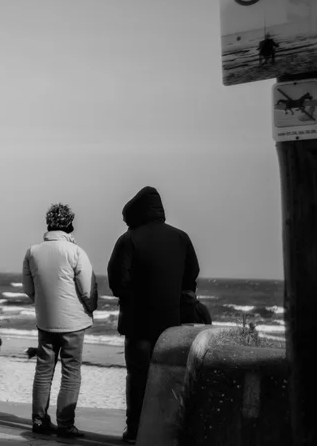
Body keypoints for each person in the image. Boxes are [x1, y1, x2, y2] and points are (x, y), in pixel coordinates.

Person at [107, 186, 200, 444]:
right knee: (170, 379)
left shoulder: (129, 239)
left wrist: (132, 297)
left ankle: (135, 430)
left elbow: (117, 281)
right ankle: (166, 431)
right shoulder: (181, 238)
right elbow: (191, 275)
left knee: (137, 378)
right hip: (172, 326)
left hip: (137, 324)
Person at [22, 203, 98, 439]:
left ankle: (39, 420)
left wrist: (43, 304)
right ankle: (65, 425)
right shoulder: (76, 252)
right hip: (73, 323)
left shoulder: (32, 251)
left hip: (45, 321)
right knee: (71, 372)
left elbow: (28, 289)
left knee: (43, 371)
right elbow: (87, 290)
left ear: (48, 225)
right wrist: (90, 308)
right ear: (70, 225)